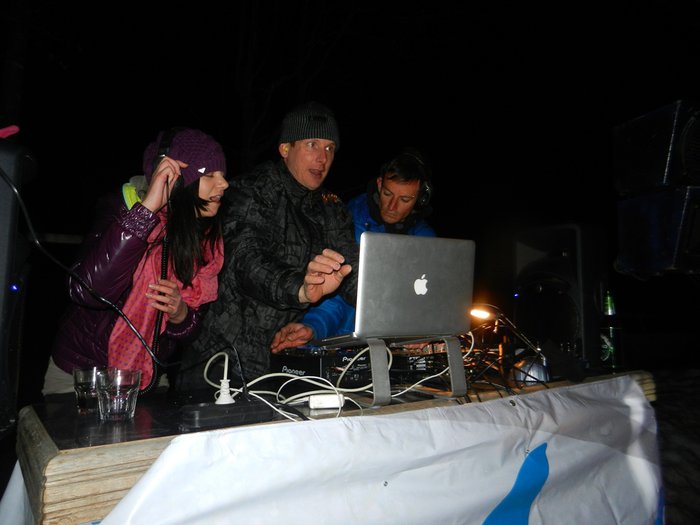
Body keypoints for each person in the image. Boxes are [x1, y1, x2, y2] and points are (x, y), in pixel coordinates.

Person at [173, 101, 359, 393]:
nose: (322, 158)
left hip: (283, 360)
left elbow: (352, 270)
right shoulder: (250, 190)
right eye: (312, 144)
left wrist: (394, 308)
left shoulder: (332, 209)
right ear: (285, 149)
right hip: (221, 362)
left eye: (329, 148)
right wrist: (301, 288)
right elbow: (246, 261)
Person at [44, 128, 229, 394]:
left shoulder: (205, 239)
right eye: (210, 175)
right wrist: (145, 214)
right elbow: (87, 291)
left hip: (147, 376)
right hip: (83, 374)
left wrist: (180, 314)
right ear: (175, 181)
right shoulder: (119, 210)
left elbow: (190, 331)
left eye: (222, 175)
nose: (224, 184)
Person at [270, 147, 436, 353]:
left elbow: (432, 300)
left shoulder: (427, 241)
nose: (392, 206)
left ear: (420, 199)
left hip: (396, 349)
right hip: (346, 345)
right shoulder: (346, 222)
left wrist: (424, 327)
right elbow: (333, 297)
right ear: (379, 184)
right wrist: (313, 328)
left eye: (405, 200)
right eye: (387, 194)